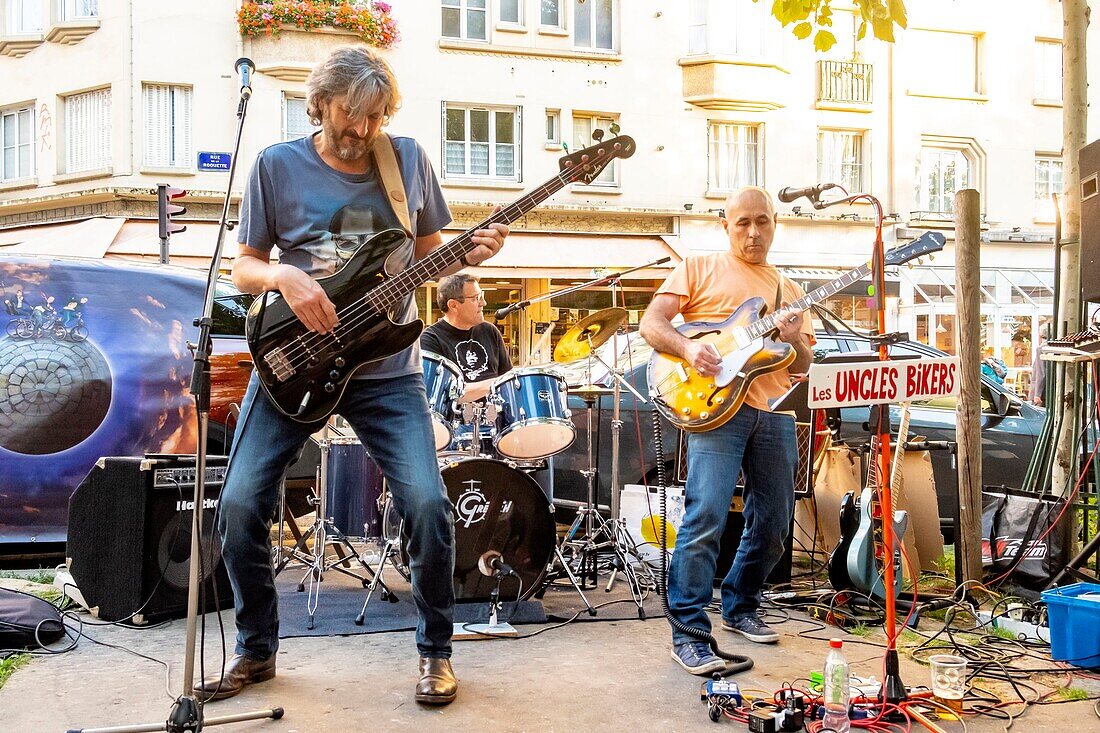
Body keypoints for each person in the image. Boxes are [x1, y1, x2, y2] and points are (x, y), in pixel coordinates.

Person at [195, 45, 508, 705]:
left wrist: (467, 255)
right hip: (293, 361)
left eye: (376, 118)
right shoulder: (277, 166)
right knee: (241, 502)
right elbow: (245, 266)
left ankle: (434, 653)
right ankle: (256, 649)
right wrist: (284, 274)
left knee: (426, 503)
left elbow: (430, 254)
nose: (363, 131)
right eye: (351, 115)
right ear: (321, 100)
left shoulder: (408, 159)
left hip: (388, 368)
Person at [639, 186, 814, 676]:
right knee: (705, 519)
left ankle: (740, 604)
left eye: (763, 221)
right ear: (726, 225)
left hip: (774, 413)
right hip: (715, 410)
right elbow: (652, 325)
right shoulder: (698, 268)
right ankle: (690, 634)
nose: (754, 232)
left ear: (775, 224)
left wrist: (796, 338)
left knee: (776, 525)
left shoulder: (790, 290)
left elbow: (803, 364)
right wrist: (688, 348)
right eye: (743, 223)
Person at [421, 273, 511, 404]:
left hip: (498, 419)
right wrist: (498, 382)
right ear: (453, 305)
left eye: (482, 295)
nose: (483, 303)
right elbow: (442, 394)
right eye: (476, 298)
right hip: (456, 422)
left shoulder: (490, 331)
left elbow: (509, 380)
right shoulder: (431, 339)